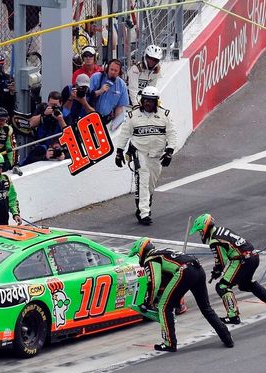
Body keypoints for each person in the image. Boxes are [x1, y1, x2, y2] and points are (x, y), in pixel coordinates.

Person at [128, 238, 233, 352]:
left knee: (164, 307)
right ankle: (227, 337)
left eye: (138, 255)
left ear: (142, 251)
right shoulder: (164, 251)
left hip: (185, 272)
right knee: (206, 307)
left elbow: (154, 283)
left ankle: (169, 343)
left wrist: (147, 302)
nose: (139, 258)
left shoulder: (151, 258)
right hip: (198, 269)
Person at [190, 213, 266, 324]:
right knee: (245, 284)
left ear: (205, 227)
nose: (200, 234)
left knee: (222, 286)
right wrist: (218, 269)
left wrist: (217, 271)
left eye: (200, 231)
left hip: (242, 260)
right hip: (253, 256)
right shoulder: (222, 230)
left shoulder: (214, 241)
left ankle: (233, 316)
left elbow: (221, 261)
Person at [115, 86, 176, 225]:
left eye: (151, 100)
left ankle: (145, 203)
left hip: (157, 155)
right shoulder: (132, 115)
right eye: (145, 100)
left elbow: (172, 133)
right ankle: (144, 213)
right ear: (141, 100)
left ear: (156, 102)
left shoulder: (165, 115)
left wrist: (170, 151)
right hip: (139, 152)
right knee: (143, 180)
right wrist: (119, 152)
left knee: (150, 184)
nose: (148, 103)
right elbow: (124, 134)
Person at [89, 59, 130, 126]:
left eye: (116, 71)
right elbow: (87, 96)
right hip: (91, 117)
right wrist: (100, 91)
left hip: (107, 120)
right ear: (107, 69)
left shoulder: (121, 85)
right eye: (111, 69)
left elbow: (119, 107)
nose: (113, 72)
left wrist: (116, 124)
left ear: (119, 72)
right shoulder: (96, 77)